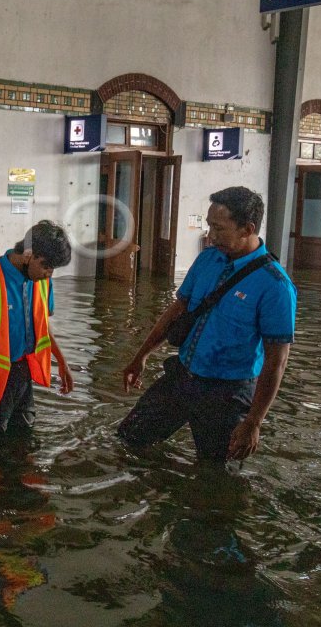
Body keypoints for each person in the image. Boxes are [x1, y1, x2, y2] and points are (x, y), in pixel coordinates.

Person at [118, 186, 296, 462]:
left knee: (214, 472)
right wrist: (140, 356)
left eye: (219, 228)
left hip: (227, 394)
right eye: (209, 226)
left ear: (247, 229)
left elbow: (277, 361)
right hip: (182, 377)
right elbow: (176, 311)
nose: (210, 236)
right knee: (129, 440)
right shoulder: (207, 260)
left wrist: (254, 421)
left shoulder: (275, 286)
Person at [0, 221, 75, 442]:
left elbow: (43, 326)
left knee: (23, 441)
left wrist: (62, 362)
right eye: (46, 266)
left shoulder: (41, 282)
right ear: (28, 255)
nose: (49, 275)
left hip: (24, 377)